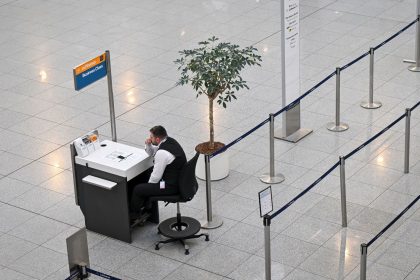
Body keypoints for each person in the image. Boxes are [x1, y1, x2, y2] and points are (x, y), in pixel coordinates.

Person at [130, 125, 187, 222]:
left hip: (170, 186)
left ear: (157, 139)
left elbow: (156, 177)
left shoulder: (162, 153)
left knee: (138, 189)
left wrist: (147, 190)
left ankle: (134, 215)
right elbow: (152, 152)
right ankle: (147, 205)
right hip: (179, 181)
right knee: (146, 177)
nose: (149, 138)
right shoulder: (170, 141)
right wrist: (148, 145)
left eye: (151, 137)